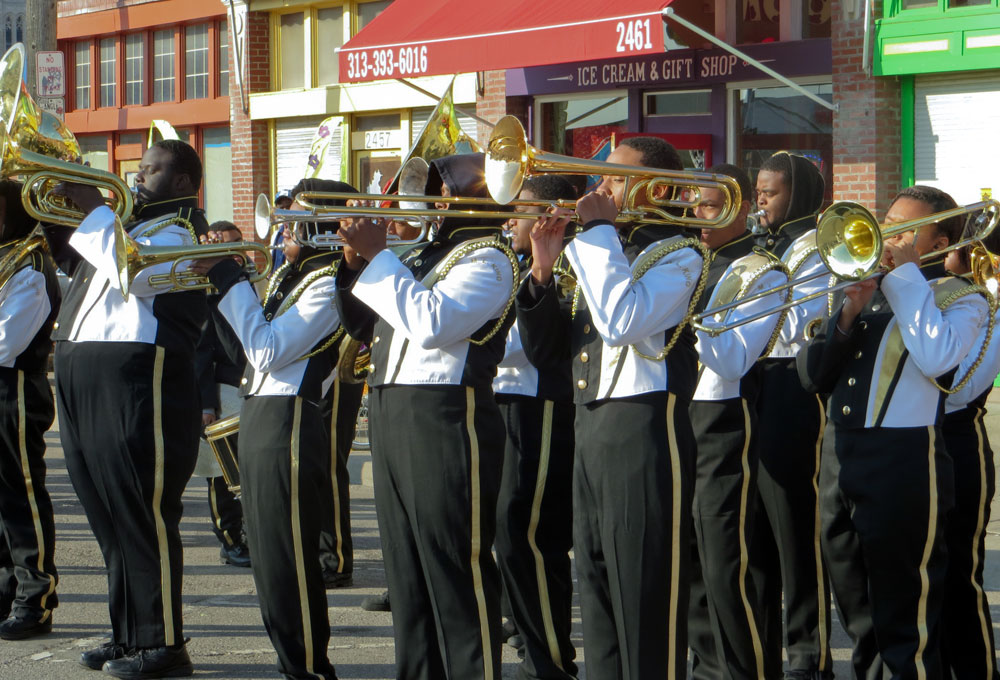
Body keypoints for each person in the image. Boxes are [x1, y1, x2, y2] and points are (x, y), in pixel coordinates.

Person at [518, 137, 707, 679]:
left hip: (645, 429)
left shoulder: (679, 253)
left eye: (616, 179)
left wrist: (597, 233)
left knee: (644, 601)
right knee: (597, 596)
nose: (601, 187)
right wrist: (542, 271)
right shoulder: (603, 251)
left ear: (660, 188)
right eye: (601, 177)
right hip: (592, 426)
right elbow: (548, 354)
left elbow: (624, 321)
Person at [336, 152, 517, 680]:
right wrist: (355, 265)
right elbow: (361, 327)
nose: (427, 203)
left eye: (440, 192)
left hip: (445, 415)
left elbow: (432, 322)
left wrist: (379, 256)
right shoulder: (426, 254)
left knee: (455, 570)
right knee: (408, 574)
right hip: (394, 409)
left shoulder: (490, 257)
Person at [798, 185, 989, 678]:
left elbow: (939, 359)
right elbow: (811, 376)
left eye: (907, 230)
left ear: (940, 241)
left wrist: (905, 277)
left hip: (904, 460)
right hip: (842, 458)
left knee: (905, 621)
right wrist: (847, 312)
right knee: (858, 614)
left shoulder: (961, 299)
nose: (889, 236)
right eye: (888, 223)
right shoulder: (868, 289)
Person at [50, 139, 208, 678]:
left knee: (142, 514)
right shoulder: (125, 222)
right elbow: (76, 262)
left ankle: (164, 642)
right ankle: (129, 635)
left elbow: (135, 275)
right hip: (85, 373)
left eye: (154, 170)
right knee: (108, 515)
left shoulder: (184, 230)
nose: (139, 178)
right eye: (138, 169)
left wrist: (92, 207)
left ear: (185, 182)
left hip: (140, 381)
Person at [191, 180, 357, 680]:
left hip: (291, 418)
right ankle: (293, 663)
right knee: (267, 557)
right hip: (263, 409)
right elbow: (247, 350)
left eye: (295, 216)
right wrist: (216, 285)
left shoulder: (328, 280)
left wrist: (229, 276)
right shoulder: (291, 273)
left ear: (324, 226)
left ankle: (308, 668)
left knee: (288, 559)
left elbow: (268, 349)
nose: (281, 223)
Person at [687, 164, 786, 680]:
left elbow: (733, 360)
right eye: (693, 205)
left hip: (723, 417)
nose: (696, 216)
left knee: (726, 568)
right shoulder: (685, 259)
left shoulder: (759, 268)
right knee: (688, 571)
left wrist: (680, 312)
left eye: (708, 205)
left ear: (741, 206)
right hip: (671, 414)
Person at [749, 151, 833, 679]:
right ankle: (759, 650)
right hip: (750, 381)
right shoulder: (763, 245)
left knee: (795, 530)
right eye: (757, 191)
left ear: (796, 194)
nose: (759, 201)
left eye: (770, 192)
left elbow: (798, 322)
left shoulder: (819, 250)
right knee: (753, 528)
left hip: (790, 385)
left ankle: (809, 656)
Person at [493, 175, 578, 679]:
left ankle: (550, 660)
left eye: (520, 209)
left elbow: (526, 344)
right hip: (508, 402)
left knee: (531, 537)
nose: (510, 219)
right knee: (510, 536)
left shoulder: (565, 264)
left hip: (542, 405)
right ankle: (532, 643)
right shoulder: (519, 261)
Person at [938, 212, 1000, 679]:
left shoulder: (985, 306)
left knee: (960, 577)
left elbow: (958, 390)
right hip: (917, 443)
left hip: (958, 444)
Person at [0, 180, 61, 640]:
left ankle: (35, 596)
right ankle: (6, 590)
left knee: (21, 495)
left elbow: (7, 343)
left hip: (14, 389)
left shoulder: (31, 265)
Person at [195, 220, 250, 569]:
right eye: (223, 246)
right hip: (224, 387)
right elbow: (201, 351)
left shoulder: (250, 281)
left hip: (251, 385)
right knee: (223, 473)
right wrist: (205, 404)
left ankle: (247, 533)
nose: (232, 253)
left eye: (235, 245)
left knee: (247, 472)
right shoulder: (207, 291)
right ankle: (229, 539)